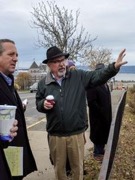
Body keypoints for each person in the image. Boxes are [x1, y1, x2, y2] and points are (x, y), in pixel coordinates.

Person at [36, 46, 127, 180]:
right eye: (56, 61)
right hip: (56, 136)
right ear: (49, 65)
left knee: (77, 170)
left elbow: (97, 76)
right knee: (59, 171)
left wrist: (113, 67)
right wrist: (42, 104)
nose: (61, 64)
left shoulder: (78, 76)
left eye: (63, 60)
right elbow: (38, 102)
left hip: (76, 134)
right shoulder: (43, 84)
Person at [0, 39, 37, 179]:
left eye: (17, 55)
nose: (15, 59)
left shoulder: (8, 80)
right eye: (11, 54)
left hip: (14, 151)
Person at [87, 63, 112, 162]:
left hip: (105, 116)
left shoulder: (105, 83)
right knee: (98, 135)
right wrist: (101, 111)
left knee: (104, 134)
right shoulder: (92, 84)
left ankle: (100, 151)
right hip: (97, 117)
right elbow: (91, 102)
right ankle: (97, 154)